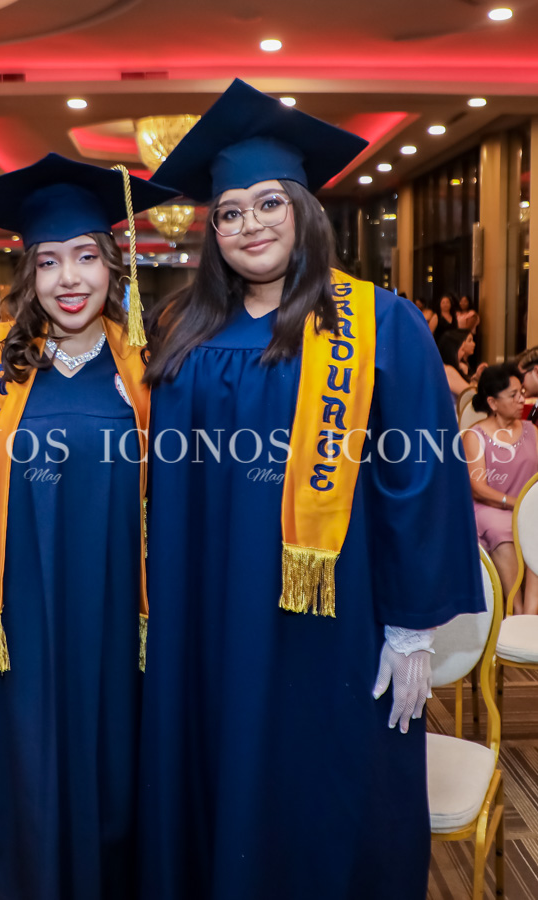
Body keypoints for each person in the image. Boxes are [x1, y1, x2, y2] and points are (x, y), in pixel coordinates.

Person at [137, 80, 484, 900]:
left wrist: (410, 624)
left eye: (268, 204)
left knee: (325, 779)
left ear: (303, 211)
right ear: (212, 231)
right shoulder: (187, 331)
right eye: (229, 212)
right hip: (209, 605)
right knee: (215, 759)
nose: (249, 224)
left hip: (335, 615)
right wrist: (6, 367)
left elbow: (419, 477)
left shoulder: (377, 322)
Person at [0, 153, 175, 900]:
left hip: (115, 616)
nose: (69, 278)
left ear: (114, 266)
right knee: (22, 767)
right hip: (18, 614)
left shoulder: (148, 371)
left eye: (86, 256)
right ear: (28, 275)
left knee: (113, 765)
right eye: (48, 261)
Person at [462, 364, 538, 612]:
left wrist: (527, 507)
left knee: (533, 526)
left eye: (522, 392)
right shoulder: (476, 435)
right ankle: (515, 609)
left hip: (527, 510)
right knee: (501, 530)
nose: (521, 400)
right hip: (490, 509)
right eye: (513, 395)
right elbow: (478, 488)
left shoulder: (531, 430)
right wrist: (515, 503)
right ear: (493, 403)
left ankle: (530, 613)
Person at [438, 328, 486, 405]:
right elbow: (470, 394)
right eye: (469, 340)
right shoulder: (447, 370)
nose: (474, 344)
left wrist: (476, 378)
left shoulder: (459, 367)